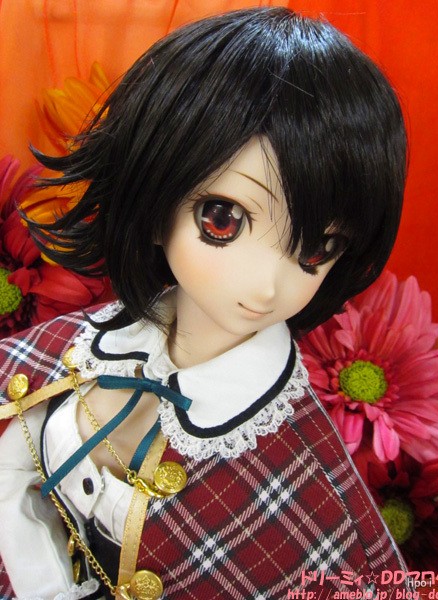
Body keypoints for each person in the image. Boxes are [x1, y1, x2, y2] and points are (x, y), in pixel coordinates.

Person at [0, 7, 411, 600]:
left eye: (318, 246)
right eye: (223, 219)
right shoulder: (87, 346)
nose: (267, 286)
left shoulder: (306, 478)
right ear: (153, 198)